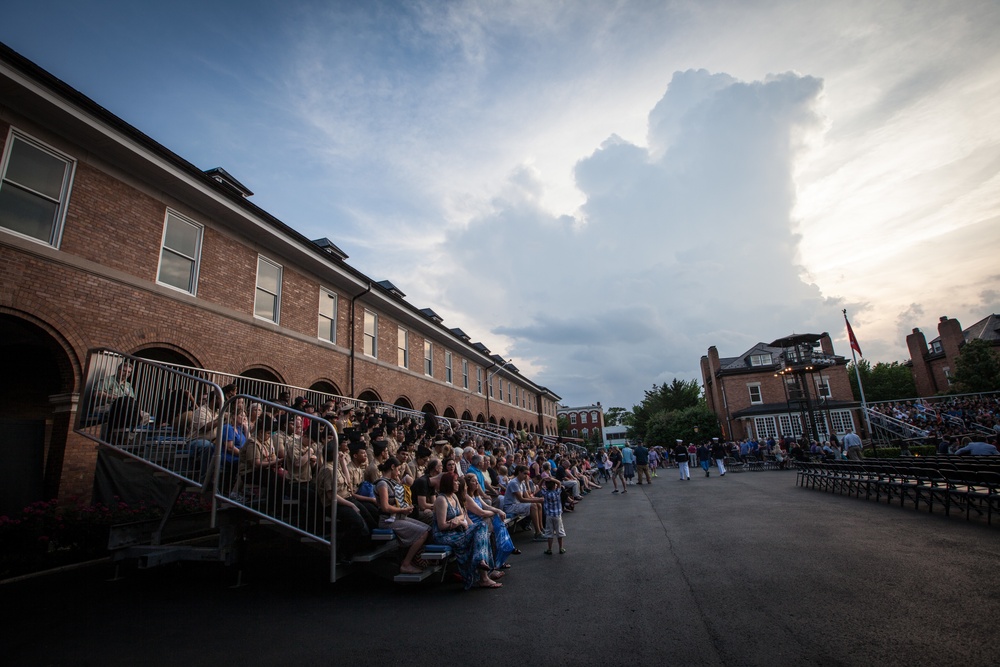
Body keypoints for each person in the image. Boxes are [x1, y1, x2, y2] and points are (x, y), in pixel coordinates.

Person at [431, 472, 500, 589]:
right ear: (449, 483)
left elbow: (462, 515)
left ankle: (482, 567)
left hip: (456, 531)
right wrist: (458, 521)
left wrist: (457, 520)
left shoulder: (453, 496)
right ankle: (483, 571)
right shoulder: (441, 500)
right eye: (455, 481)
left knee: (482, 527)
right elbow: (442, 525)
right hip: (444, 535)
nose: (458, 483)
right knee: (480, 531)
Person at [375, 457, 430, 575]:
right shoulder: (382, 484)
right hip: (388, 520)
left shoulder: (393, 482)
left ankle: (413, 559)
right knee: (423, 533)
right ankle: (406, 564)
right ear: (392, 467)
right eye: (398, 470)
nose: (399, 473)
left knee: (428, 528)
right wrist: (402, 509)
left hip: (399, 517)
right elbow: (385, 507)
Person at [503, 466, 546, 541]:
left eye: (527, 474)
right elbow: (521, 499)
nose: (526, 476)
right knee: (533, 506)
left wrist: (538, 499)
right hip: (510, 506)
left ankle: (541, 528)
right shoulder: (514, 483)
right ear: (519, 472)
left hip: (516, 504)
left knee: (538, 504)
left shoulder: (522, 482)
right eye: (525, 473)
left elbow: (527, 496)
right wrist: (538, 499)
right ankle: (537, 533)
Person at [539, 476, 566, 555]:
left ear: (546, 486)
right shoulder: (557, 492)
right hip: (557, 515)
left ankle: (549, 549)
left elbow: (539, 486)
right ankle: (561, 548)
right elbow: (559, 483)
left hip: (549, 515)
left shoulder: (545, 493)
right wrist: (552, 479)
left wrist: (543, 479)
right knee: (559, 531)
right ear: (555, 486)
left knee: (549, 532)